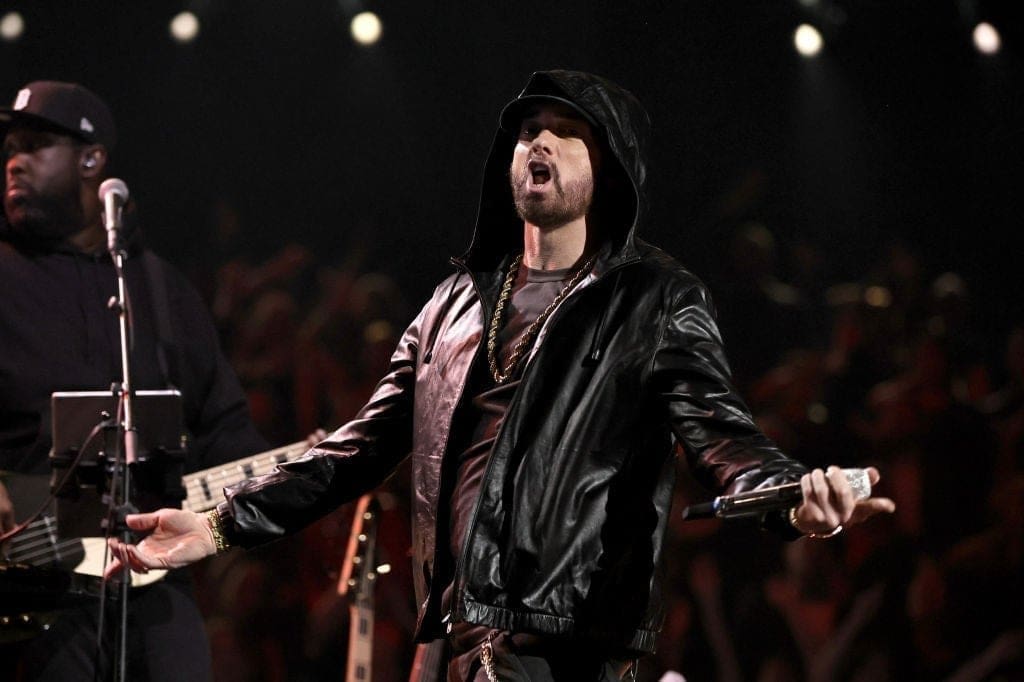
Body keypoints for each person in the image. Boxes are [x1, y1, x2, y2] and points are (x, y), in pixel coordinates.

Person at [107, 70, 896, 681]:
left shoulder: (653, 299)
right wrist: (217, 526)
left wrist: (790, 495)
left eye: (566, 132)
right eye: (527, 131)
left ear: (610, 165)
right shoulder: (451, 305)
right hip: (458, 645)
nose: (538, 142)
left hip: (571, 646)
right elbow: (354, 451)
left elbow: (722, 437)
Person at [0, 81, 269, 680]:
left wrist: (297, 478)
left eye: (35, 145)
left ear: (91, 160)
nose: (14, 161)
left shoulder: (159, 290)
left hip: (152, 580)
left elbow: (225, 428)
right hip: (26, 597)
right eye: (10, 149)